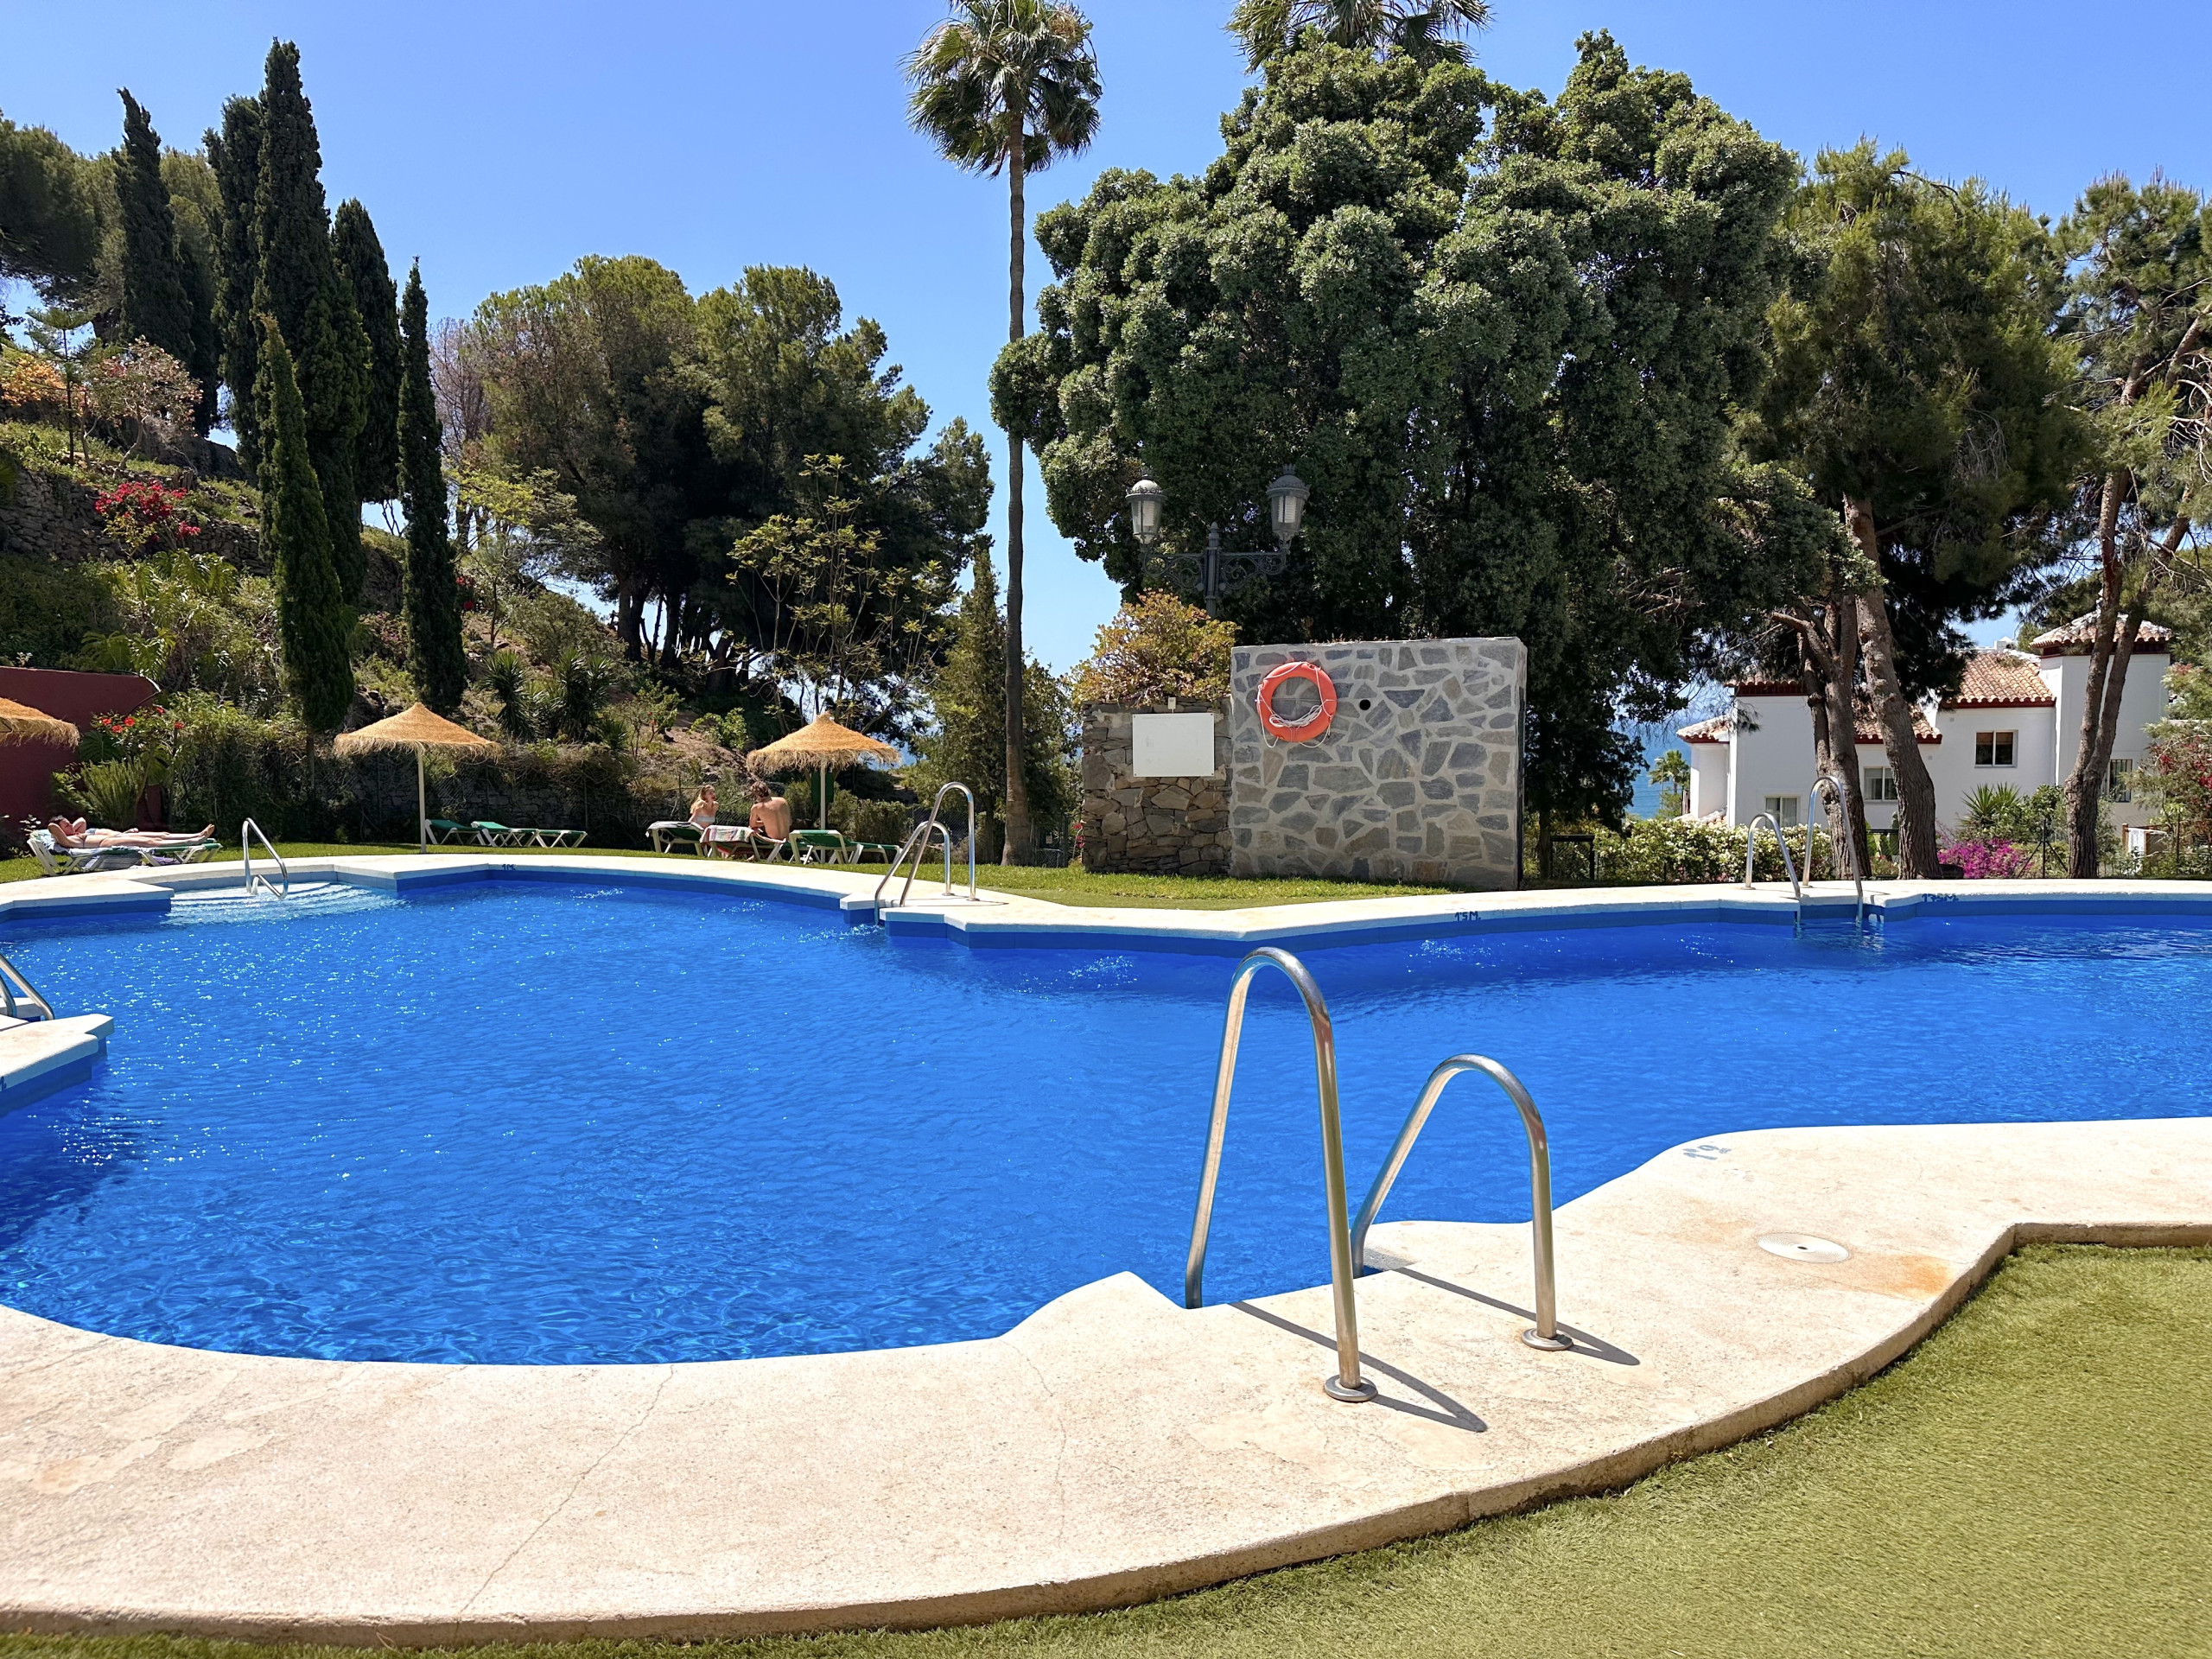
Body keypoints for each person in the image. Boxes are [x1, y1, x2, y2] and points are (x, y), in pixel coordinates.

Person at [47, 817, 216, 850]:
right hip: (105, 843)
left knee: (161, 834)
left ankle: (196, 835)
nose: (71, 825)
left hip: (116, 837)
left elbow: (81, 821)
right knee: (150, 843)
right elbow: (52, 827)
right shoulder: (68, 841)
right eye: (67, 825)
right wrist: (60, 827)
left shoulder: (76, 834)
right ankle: (191, 842)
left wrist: (69, 826)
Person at [747, 781, 793, 849]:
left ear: (756, 794)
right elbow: (790, 822)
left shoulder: (756, 807)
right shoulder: (783, 801)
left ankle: (755, 853)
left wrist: (767, 821)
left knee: (751, 829)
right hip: (787, 841)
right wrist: (769, 821)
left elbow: (752, 825)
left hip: (773, 842)